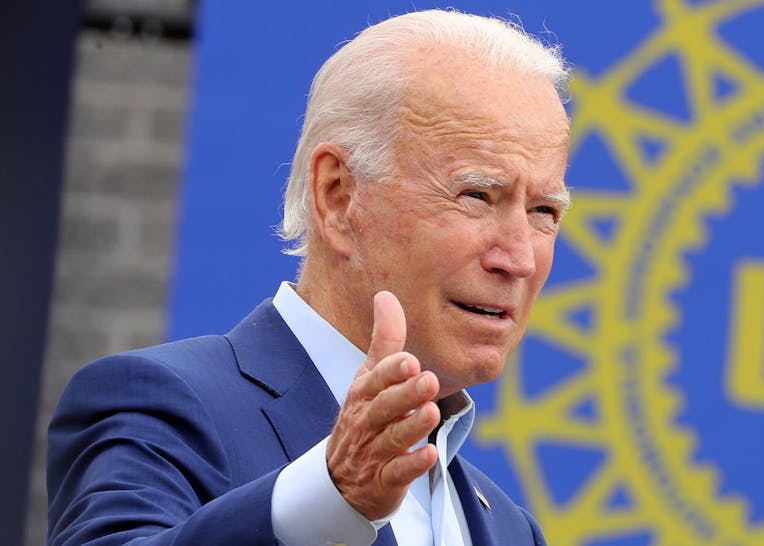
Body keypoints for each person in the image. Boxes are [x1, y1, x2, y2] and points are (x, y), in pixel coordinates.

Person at [46, 8, 571, 546]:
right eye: (477, 196)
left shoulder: (510, 528)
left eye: (544, 212)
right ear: (338, 197)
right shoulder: (160, 407)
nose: (519, 259)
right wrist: (330, 496)